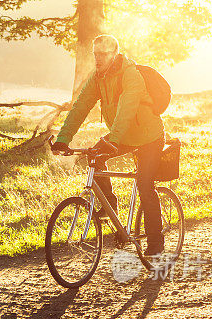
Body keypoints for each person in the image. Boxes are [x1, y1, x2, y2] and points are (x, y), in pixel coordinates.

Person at [51, 34, 165, 256]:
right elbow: (80, 108)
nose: (98, 59)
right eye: (95, 54)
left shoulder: (130, 75)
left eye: (103, 54)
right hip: (123, 136)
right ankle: (109, 205)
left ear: (115, 54)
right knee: (95, 157)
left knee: (144, 184)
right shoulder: (98, 78)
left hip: (149, 137)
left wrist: (112, 139)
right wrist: (63, 138)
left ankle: (156, 242)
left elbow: (126, 110)